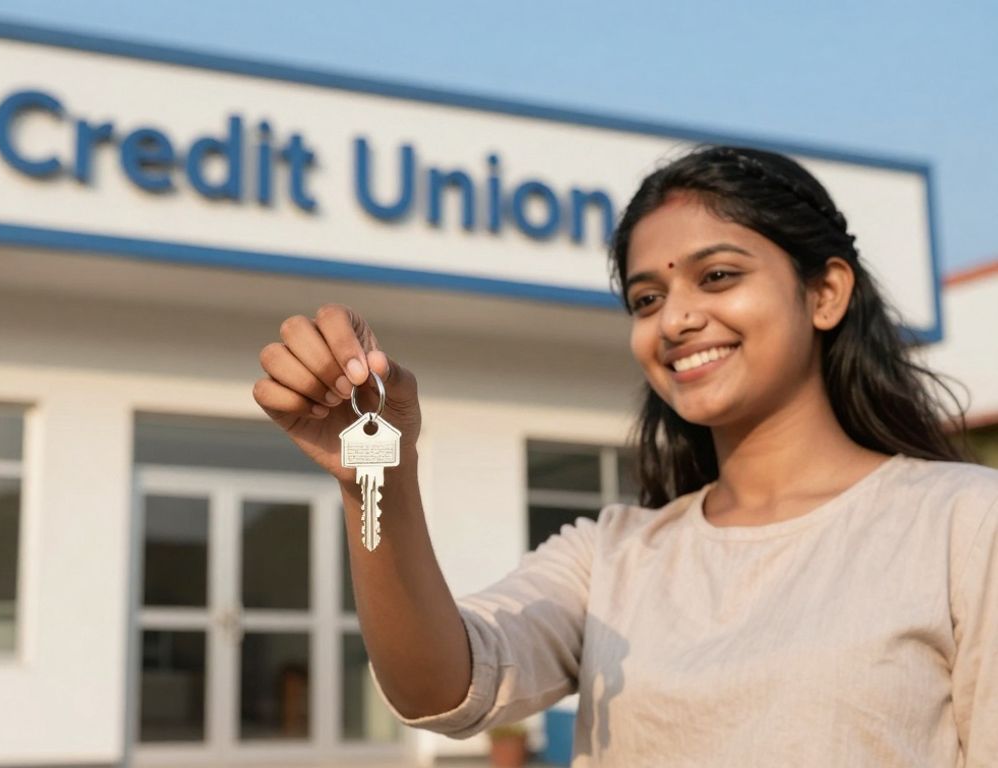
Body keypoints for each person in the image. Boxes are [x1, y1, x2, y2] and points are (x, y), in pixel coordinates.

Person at [252, 144, 998, 766]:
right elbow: (437, 687)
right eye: (645, 299)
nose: (675, 318)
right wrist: (375, 476)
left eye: (718, 276)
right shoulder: (613, 556)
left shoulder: (964, 523)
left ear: (826, 293)